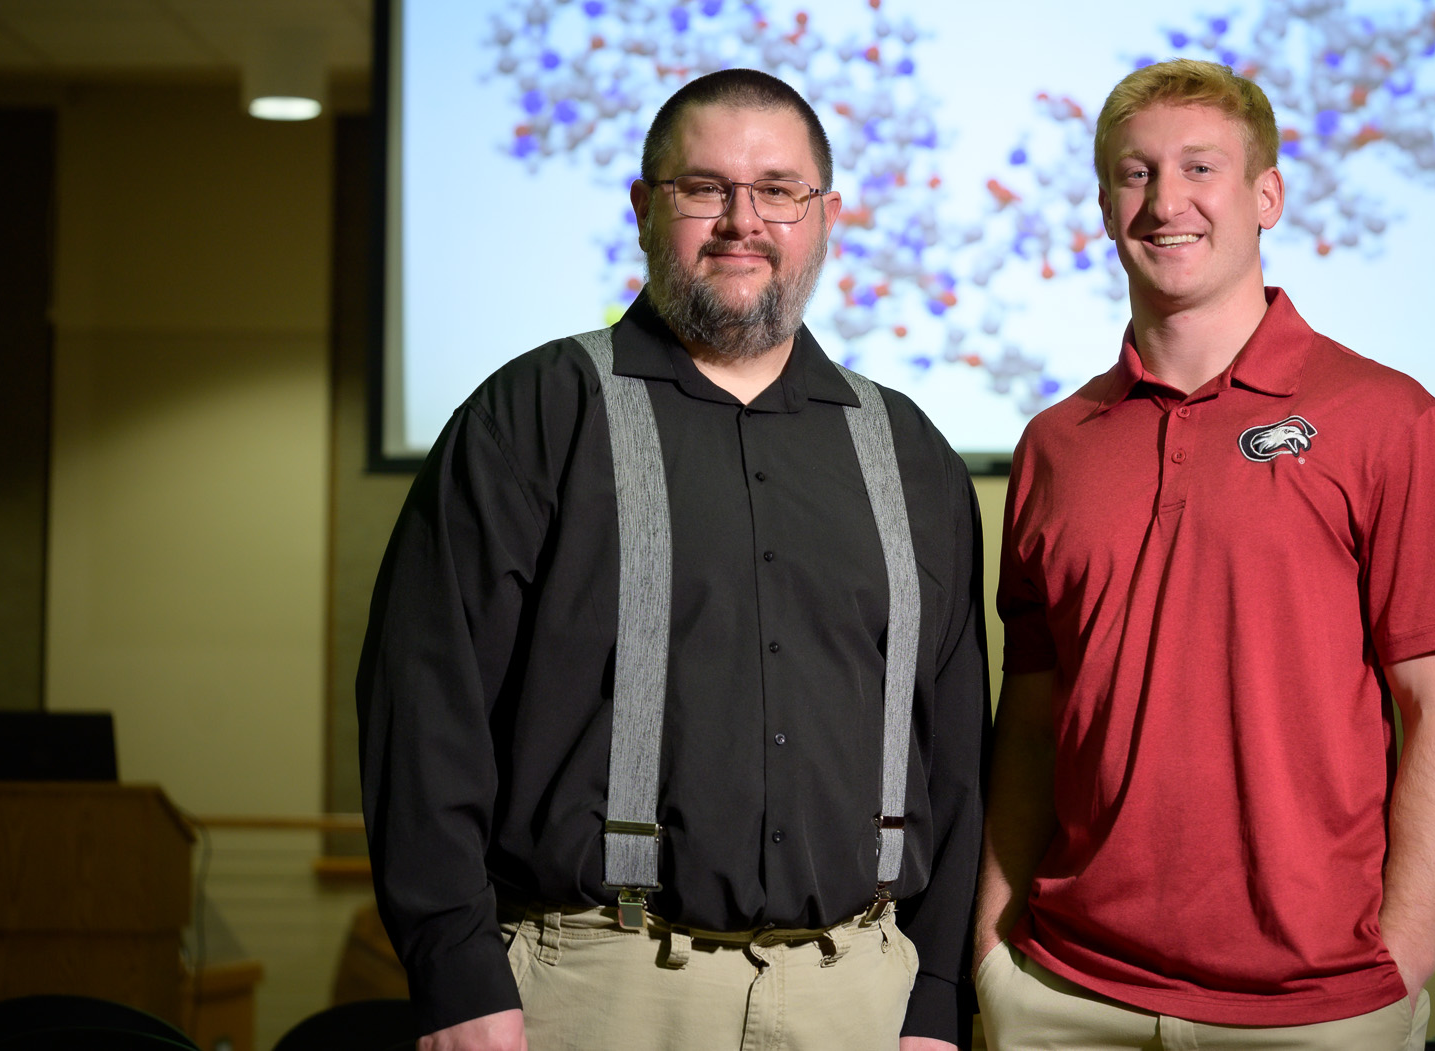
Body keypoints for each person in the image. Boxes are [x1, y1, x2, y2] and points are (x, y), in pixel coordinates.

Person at [358, 68, 985, 1051]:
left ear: (825, 216)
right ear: (645, 207)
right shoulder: (530, 417)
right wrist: (454, 972)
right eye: (704, 188)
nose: (742, 219)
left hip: (858, 993)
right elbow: (424, 709)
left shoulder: (909, 452)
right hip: (593, 989)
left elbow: (951, 749)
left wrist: (939, 992)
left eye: (778, 189)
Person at [974, 59, 1435, 1051]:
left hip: (1315, 1007)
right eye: (1134, 173)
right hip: (1063, 993)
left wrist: (1401, 955)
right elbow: (1035, 715)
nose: (1164, 200)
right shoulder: (1056, 441)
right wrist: (992, 946)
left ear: (1265, 194)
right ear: (1101, 204)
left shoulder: (1387, 418)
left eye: (1198, 167)